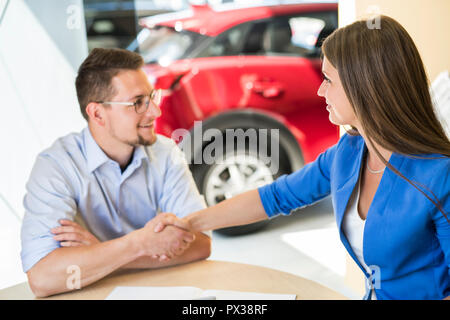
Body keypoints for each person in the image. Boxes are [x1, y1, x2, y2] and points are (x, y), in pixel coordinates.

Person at [154, 16, 450, 300]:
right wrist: (189, 223)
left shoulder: (439, 176)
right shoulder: (348, 153)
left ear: (366, 87)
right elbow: (275, 197)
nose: (321, 91)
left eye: (329, 80)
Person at [21, 48, 211, 298]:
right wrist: (139, 244)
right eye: (137, 102)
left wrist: (102, 253)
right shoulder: (55, 166)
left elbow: (199, 244)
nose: (155, 111)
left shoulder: (165, 153)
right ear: (97, 113)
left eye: (152, 97)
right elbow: (44, 278)